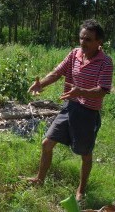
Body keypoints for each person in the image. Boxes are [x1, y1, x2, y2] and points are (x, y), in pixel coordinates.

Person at [26, 19, 113, 203]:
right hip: (69, 107)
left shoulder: (105, 62)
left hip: (88, 113)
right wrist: (41, 84)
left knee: (85, 153)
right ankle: (39, 180)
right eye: (81, 38)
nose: (83, 42)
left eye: (88, 39)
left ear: (99, 42)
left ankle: (81, 190)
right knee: (46, 144)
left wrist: (80, 91)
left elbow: (102, 91)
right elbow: (57, 73)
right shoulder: (74, 54)